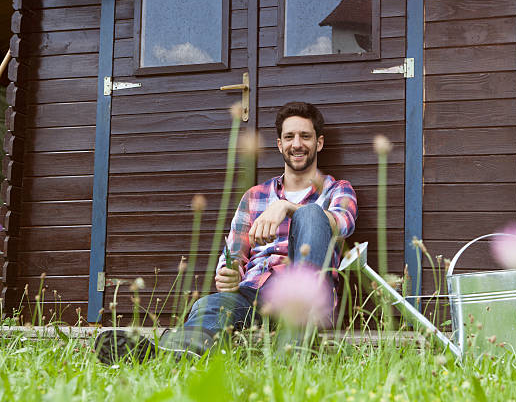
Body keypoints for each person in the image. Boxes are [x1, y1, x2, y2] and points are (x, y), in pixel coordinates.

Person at [94, 101, 358, 363]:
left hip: (304, 297)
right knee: (211, 306)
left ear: (319, 143)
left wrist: (287, 208)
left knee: (311, 214)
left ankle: (294, 348)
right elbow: (232, 256)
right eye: (289, 137)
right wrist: (228, 274)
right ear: (280, 145)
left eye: (305, 136)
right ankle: (168, 353)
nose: (297, 144)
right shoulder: (254, 197)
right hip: (254, 293)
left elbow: (342, 222)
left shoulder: (337, 190)